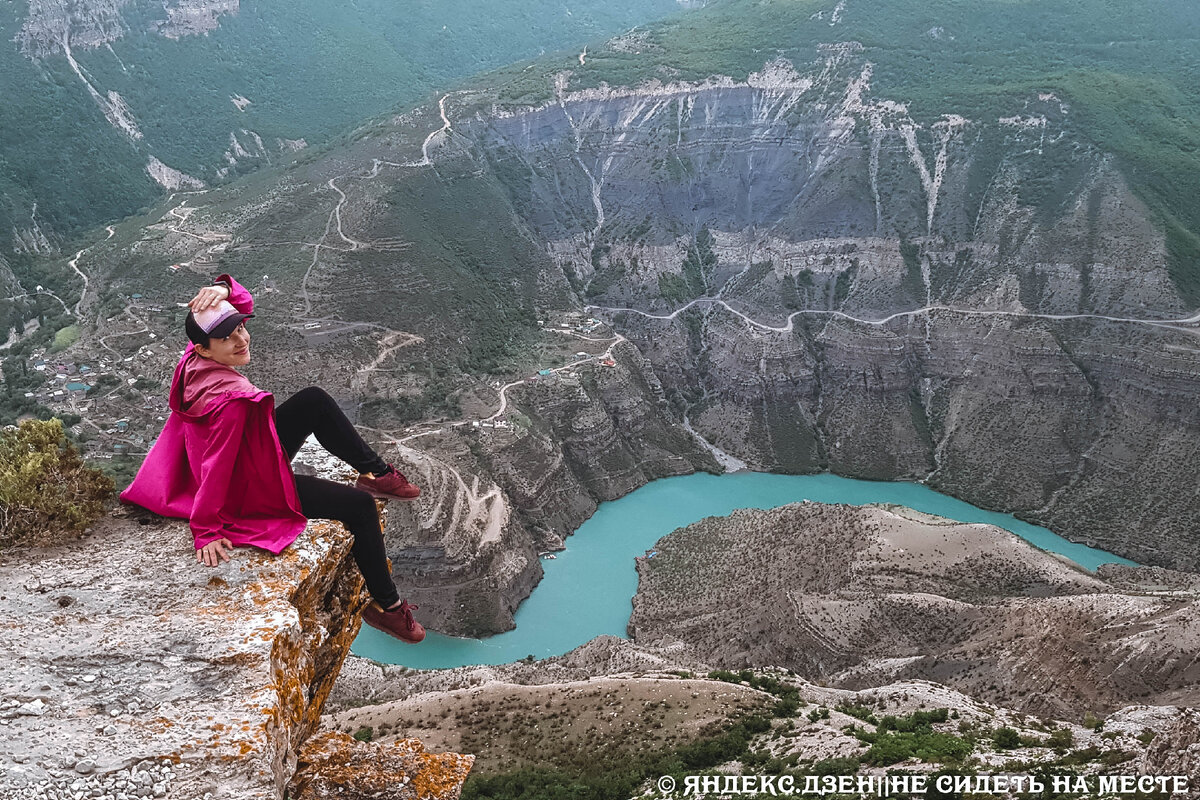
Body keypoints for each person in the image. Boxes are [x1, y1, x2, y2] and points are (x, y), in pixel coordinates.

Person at [120, 274, 426, 643]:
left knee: (313, 400)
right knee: (360, 508)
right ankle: (390, 609)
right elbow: (218, 466)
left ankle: (375, 472)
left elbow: (244, 308)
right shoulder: (232, 401)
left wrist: (224, 291)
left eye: (241, 330)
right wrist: (206, 531)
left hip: (253, 455)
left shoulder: (193, 359)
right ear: (203, 348)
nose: (241, 339)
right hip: (246, 488)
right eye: (228, 337)